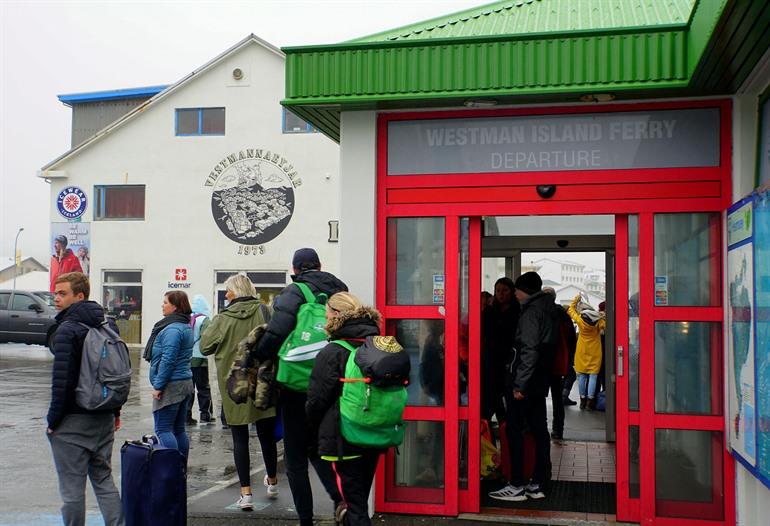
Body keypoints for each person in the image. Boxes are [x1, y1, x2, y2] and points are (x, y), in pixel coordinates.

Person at [251, 248, 347, 526]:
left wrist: (259, 355)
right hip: (332, 382)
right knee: (320, 447)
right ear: (320, 266)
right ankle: (340, 500)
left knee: (295, 458)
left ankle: (306, 519)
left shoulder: (294, 292)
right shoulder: (339, 292)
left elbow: (277, 331)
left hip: (296, 386)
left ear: (295, 270)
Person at [47, 272, 124, 526]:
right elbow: (116, 374)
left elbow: (63, 382)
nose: (56, 298)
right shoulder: (108, 325)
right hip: (103, 416)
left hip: (72, 421)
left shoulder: (67, 330)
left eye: (62, 293)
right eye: (55, 293)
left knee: (72, 489)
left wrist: (53, 420)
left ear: (79, 296)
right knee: (104, 480)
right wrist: (115, 412)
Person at [200, 274, 279, 510]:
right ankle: (272, 482)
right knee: (266, 433)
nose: (226, 295)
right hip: (263, 380)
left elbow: (205, 347)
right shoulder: (265, 311)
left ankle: (246, 494)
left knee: (239, 437)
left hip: (234, 384)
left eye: (228, 291)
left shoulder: (222, 318)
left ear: (235, 292)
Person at [306, 292, 383, 526]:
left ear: (337, 315)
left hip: (344, 439)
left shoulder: (333, 351)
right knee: (358, 498)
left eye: (327, 312)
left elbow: (317, 400)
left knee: (354, 506)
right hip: (373, 434)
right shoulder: (377, 345)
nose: (325, 317)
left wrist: (311, 429)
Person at [489, 271, 558, 502]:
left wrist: (519, 385)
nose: (514, 293)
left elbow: (529, 351)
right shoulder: (548, 308)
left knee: (514, 430)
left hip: (526, 383)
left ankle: (516, 484)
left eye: (517, 289)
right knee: (539, 430)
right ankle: (537, 483)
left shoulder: (530, 312)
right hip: (540, 382)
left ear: (525, 291)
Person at [146, 291, 193, 458]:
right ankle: (180, 470)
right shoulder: (185, 326)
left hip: (172, 385)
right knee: (178, 429)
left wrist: (158, 386)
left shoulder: (172, 329)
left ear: (175, 307)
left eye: (165, 302)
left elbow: (168, 360)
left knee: (163, 429)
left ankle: (171, 467)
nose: (162, 305)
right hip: (185, 382)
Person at [481, 277, 519, 428]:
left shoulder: (518, 311)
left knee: (509, 402)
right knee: (489, 401)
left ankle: (508, 432)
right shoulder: (490, 311)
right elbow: (480, 332)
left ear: (512, 292)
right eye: (498, 291)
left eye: (505, 290)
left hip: (510, 362)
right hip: (490, 362)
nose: (501, 294)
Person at [542, 287, 577, 440]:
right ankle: (558, 430)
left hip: (542, 363)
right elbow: (571, 340)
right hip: (558, 362)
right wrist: (569, 360)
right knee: (557, 398)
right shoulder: (563, 314)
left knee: (538, 398)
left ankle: (541, 429)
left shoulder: (541, 313)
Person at [568, 294, 606, 410]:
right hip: (595, 351)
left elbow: (570, 310)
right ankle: (590, 401)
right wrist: (602, 316)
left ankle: (582, 400)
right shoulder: (598, 323)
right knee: (593, 377)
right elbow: (605, 326)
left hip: (582, 351)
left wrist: (576, 299)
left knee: (582, 377)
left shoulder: (580, 320)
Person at [187, 294, 215, 425]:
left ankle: (187, 415)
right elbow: (208, 337)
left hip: (187, 358)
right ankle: (205, 414)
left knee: (189, 388)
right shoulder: (204, 319)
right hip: (200, 358)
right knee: (203, 387)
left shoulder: (188, 318)